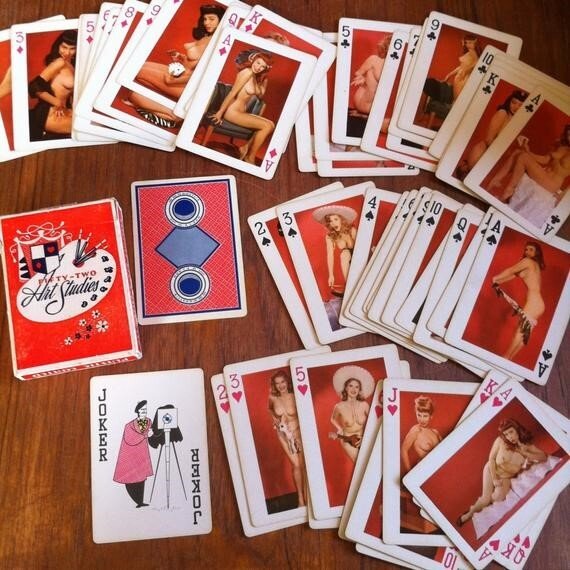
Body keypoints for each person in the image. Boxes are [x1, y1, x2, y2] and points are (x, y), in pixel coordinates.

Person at [125, 4, 225, 128]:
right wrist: (180, 57)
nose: (206, 23)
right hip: (181, 75)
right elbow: (194, 61)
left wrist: (172, 81)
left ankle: (175, 116)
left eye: (211, 19)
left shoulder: (218, 44)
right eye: (205, 19)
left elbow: (204, 74)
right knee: (140, 66)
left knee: (137, 77)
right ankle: (173, 111)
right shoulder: (208, 36)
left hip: (189, 86)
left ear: (221, 21)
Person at [457, 418, 546, 526]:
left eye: (511, 432)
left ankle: (483, 504)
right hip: (492, 470)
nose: (509, 437)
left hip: (506, 477)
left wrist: (525, 453)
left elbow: (543, 456)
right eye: (506, 434)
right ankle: (469, 513)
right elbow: (491, 459)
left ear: (517, 429)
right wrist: (494, 479)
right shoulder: (500, 441)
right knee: (485, 500)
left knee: (498, 498)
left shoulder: (526, 446)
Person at [488, 125, 570, 225]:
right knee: (519, 152)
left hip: (552, 184)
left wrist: (561, 197)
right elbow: (545, 159)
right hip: (544, 176)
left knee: (523, 157)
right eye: (569, 133)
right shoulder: (563, 147)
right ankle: (496, 180)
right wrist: (528, 151)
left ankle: (509, 190)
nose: (569, 136)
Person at [208, 50, 274, 164]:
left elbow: (260, 95)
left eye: (263, 66)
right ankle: (250, 157)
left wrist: (264, 80)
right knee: (267, 126)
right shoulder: (247, 72)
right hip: (232, 112)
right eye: (258, 63)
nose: (259, 67)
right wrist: (219, 113)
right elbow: (232, 93)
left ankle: (245, 148)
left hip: (241, 112)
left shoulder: (255, 77)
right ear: (253, 60)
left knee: (271, 125)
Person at [455, 90, 528, 181]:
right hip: (482, 154)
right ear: (509, 101)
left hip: (493, 158)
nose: (516, 107)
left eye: (520, 105)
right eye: (514, 102)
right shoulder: (502, 113)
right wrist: (499, 156)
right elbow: (489, 139)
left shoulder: (516, 122)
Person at [491, 241, 545, 360]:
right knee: (523, 334)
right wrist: (498, 281)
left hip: (534, 302)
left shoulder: (527, 262)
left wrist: (496, 277)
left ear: (537, 252)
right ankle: (508, 359)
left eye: (531, 249)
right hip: (538, 303)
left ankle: (505, 358)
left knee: (520, 332)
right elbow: (513, 274)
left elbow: (511, 270)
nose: (527, 252)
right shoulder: (534, 265)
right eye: (526, 249)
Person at [422, 34, 481, 126]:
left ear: (475, 43)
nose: (468, 45)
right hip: (459, 78)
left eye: (470, 43)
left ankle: (450, 122)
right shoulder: (469, 52)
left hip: (463, 80)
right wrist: (449, 75)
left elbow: (478, 62)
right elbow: (461, 67)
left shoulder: (473, 53)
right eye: (466, 43)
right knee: (454, 99)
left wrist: (466, 70)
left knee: (457, 100)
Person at [28, 29, 77, 140]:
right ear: (58, 46)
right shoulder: (59, 62)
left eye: (72, 49)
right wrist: (57, 102)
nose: (67, 52)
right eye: (64, 47)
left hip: (64, 111)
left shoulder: (72, 64)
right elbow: (33, 86)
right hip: (49, 113)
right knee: (88, 127)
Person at [268, 370, 306, 507]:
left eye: (282, 382)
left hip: (299, 432)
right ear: (274, 385)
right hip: (284, 435)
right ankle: (300, 500)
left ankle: (307, 497)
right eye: (277, 383)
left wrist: (297, 432)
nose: (281, 385)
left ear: (287, 382)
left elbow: (304, 414)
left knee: (304, 465)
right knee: (296, 465)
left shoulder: (296, 395)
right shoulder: (272, 399)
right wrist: (276, 422)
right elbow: (271, 412)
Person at [113, 400, 154, 508]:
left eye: (145, 409)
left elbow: (152, 435)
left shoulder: (149, 422)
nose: (144, 411)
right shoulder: (129, 425)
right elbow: (130, 439)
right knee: (131, 478)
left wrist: (153, 434)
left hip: (142, 454)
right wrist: (146, 435)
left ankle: (140, 501)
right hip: (131, 455)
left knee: (142, 477)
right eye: (142, 409)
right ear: (138, 411)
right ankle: (137, 500)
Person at [312, 204, 358, 296]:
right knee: (344, 253)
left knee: (345, 253)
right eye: (330, 221)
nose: (333, 223)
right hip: (347, 260)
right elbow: (330, 255)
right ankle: (350, 288)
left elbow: (363, 247)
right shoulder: (329, 237)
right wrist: (331, 275)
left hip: (360, 256)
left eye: (336, 219)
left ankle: (353, 287)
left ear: (341, 219)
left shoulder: (352, 230)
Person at [330, 365, 374, 462]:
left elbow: (373, 420)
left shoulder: (364, 405)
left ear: (359, 390)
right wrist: (339, 428)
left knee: (371, 461)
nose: (353, 389)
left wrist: (365, 437)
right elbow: (332, 419)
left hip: (364, 438)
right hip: (348, 440)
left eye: (357, 387)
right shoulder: (339, 406)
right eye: (350, 386)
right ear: (345, 388)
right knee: (360, 462)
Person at [349, 35, 392, 117]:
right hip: (363, 103)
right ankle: (364, 116)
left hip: (372, 108)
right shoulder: (374, 59)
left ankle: (363, 116)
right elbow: (358, 73)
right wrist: (364, 78)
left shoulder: (397, 67)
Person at [401, 396, 442, 473]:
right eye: (419, 415)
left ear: (431, 416)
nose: (421, 419)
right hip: (424, 472)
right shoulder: (416, 430)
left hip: (438, 471)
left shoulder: (435, 432)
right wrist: (410, 474)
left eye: (425, 416)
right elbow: (404, 450)